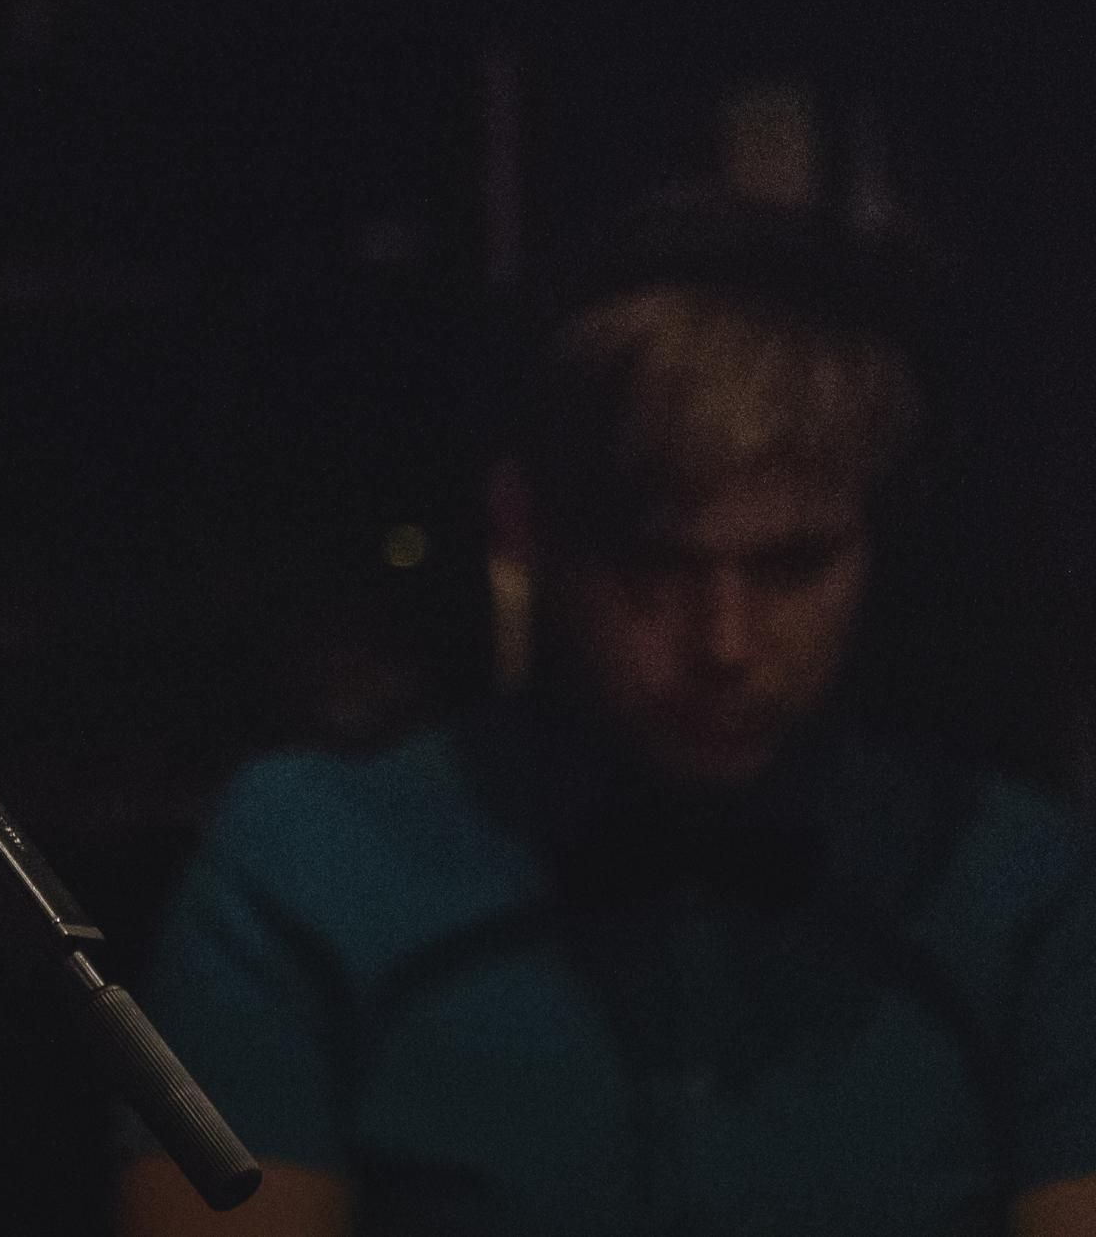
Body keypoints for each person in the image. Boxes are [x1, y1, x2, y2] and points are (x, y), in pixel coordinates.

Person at [121, 194, 1096, 1237]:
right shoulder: (311, 863)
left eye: (791, 566)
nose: (724, 643)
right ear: (526, 532)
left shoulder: (1018, 887)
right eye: (651, 562)